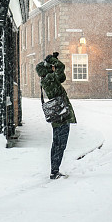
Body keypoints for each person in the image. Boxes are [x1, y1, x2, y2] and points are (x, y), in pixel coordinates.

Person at [36, 52, 76, 180]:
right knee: (60, 144)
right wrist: (54, 61)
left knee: (57, 143)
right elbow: (62, 68)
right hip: (61, 116)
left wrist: (53, 62)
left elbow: (62, 76)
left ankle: (54, 170)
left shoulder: (47, 79)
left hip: (58, 115)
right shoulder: (49, 79)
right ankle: (54, 171)